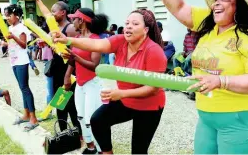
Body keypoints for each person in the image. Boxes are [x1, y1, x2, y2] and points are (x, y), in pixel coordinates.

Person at [138, 0, 248, 154]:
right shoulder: (210, 26)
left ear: (239, 6)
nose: (216, 3)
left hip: (241, 117)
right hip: (207, 115)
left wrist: (220, 81)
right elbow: (180, 8)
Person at [52, 9, 167, 154]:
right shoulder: (120, 41)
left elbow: (153, 88)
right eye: (127, 23)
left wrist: (121, 94)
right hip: (126, 100)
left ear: (145, 30)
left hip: (148, 106)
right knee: (98, 120)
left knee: (138, 150)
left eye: (135, 23)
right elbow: (95, 44)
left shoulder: (154, 51)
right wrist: (67, 40)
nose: (129, 26)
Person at [60, 8, 109, 154]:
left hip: (92, 82)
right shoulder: (78, 38)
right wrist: (67, 75)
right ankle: (90, 147)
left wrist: (75, 58)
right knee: (80, 116)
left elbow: (95, 66)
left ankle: (101, 150)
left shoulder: (96, 40)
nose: (72, 21)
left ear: (81, 21)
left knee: (91, 119)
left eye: (74, 18)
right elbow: (72, 60)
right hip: (80, 83)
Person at [34, 0, 81, 132]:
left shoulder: (70, 28)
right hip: (57, 68)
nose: (52, 14)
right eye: (51, 11)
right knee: (59, 102)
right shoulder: (54, 28)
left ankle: (78, 134)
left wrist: (68, 75)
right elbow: (46, 14)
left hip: (68, 70)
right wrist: (45, 43)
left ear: (63, 12)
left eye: (54, 11)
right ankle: (63, 132)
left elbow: (75, 54)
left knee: (71, 104)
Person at [2, 4, 39, 132]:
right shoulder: (10, 27)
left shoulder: (21, 28)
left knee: (25, 88)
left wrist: (13, 37)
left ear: (16, 15)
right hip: (13, 61)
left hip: (22, 61)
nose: (7, 18)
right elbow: (12, 44)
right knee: (22, 88)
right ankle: (26, 114)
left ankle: (33, 118)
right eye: (6, 16)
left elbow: (23, 45)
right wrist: (5, 42)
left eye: (9, 15)